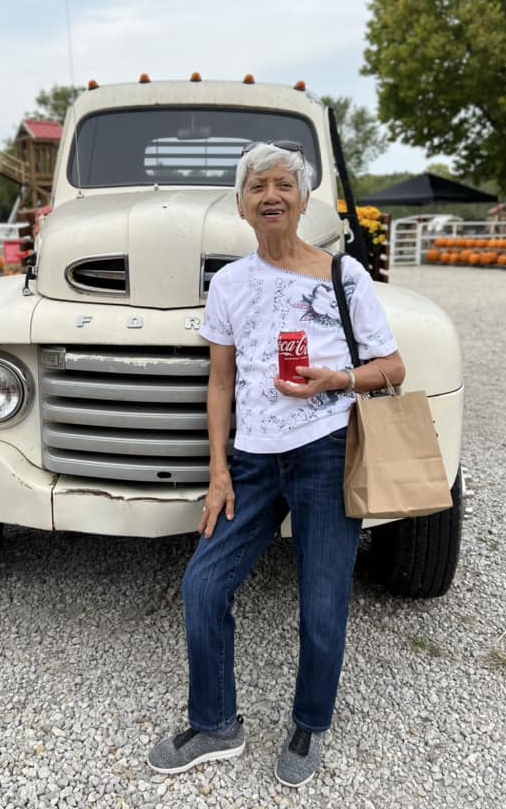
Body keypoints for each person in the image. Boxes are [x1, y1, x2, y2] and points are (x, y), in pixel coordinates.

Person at [147, 141, 405, 787]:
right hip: (253, 463)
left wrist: (333, 381)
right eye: (257, 185)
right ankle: (215, 725)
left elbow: (392, 368)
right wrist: (219, 471)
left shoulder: (345, 277)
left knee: (322, 606)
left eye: (283, 184)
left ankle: (310, 721)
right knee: (203, 587)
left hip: (323, 454)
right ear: (241, 204)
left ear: (304, 199)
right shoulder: (230, 283)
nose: (270, 195)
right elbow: (220, 384)